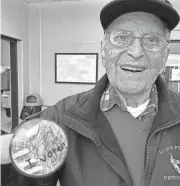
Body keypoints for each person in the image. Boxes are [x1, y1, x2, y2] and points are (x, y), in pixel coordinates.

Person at [1, 0, 180, 185]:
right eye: (121, 37)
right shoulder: (63, 119)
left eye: (152, 40)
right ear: (104, 50)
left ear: (165, 54)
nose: (135, 52)